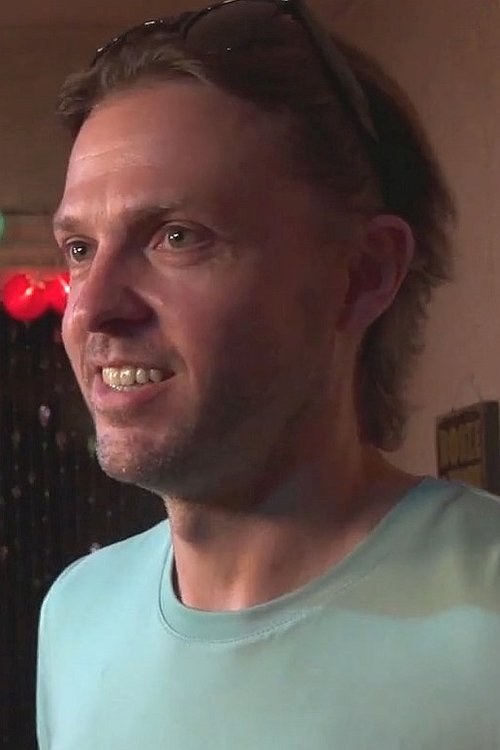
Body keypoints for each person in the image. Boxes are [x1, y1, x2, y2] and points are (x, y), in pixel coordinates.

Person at [36, 1, 500, 748]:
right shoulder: (75, 616)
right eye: (81, 250)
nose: (89, 308)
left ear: (362, 274)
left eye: (176, 236)